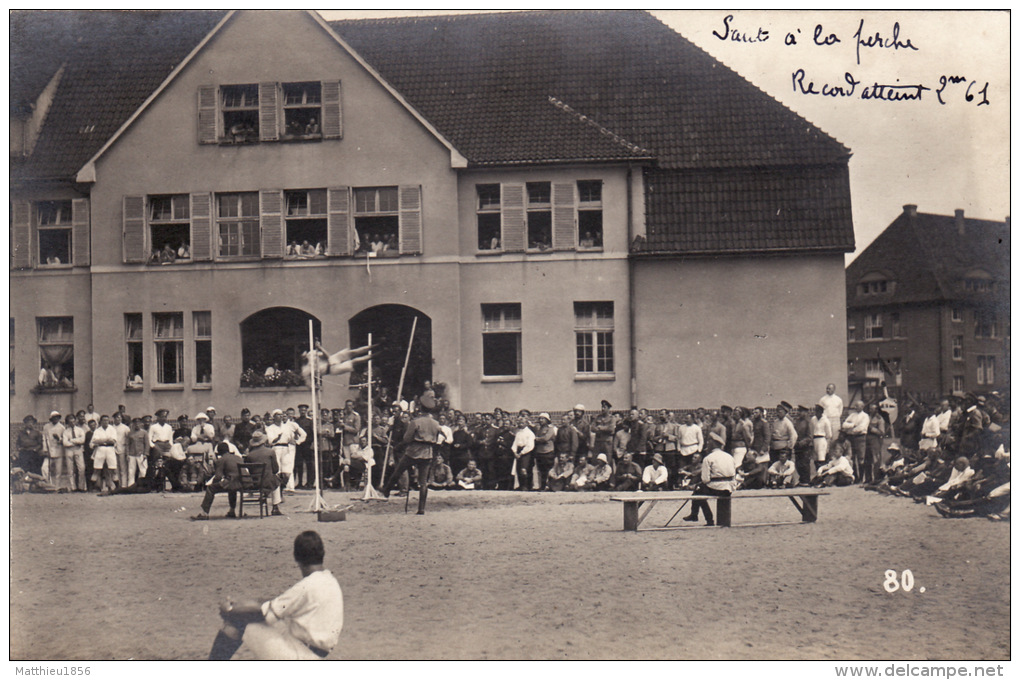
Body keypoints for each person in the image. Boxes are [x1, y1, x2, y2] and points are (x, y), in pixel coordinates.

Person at [208, 531, 344, 660]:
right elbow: (274, 603)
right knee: (263, 618)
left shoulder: (307, 586)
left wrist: (230, 610)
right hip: (311, 652)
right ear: (322, 553)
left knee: (237, 621)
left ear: (297, 557)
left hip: (300, 656)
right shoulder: (330, 580)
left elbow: (261, 613)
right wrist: (241, 605)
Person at [381, 396, 441, 514]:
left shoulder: (415, 422)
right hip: (427, 452)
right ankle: (421, 509)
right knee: (423, 482)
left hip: (413, 451)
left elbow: (407, 438)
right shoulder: (436, 423)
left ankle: (386, 490)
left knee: (399, 470)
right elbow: (436, 438)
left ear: (420, 408)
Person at [683, 432, 735, 526]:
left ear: (713, 444)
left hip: (717, 487)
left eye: (708, 443)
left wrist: (698, 485)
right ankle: (696, 515)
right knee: (700, 489)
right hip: (730, 487)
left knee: (698, 493)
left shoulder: (708, 458)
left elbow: (705, 479)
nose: (707, 445)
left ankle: (703, 518)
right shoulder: (729, 456)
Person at [193, 443, 244, 520]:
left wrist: (213, 483)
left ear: (219, 452)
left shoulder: (221, 460)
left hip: (232, 482)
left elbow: (218, 477)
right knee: (231, 487)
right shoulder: (238, 458)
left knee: (211, 488)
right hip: (243, 483)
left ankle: (204, 513)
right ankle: (232, 510)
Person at [244, 431, 284, 516]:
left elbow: (249, 470)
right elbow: (275, 469)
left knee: (272, 478)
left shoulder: (250, 455)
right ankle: (275, 506)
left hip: (254, 482)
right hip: (267, 481)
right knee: (276, 479)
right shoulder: (270, 452)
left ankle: (265, 495)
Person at [841, 401, 870, 482]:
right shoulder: (852, 415)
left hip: (860, 438)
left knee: (861, 458)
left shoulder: (865, 416)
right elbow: (844, 425)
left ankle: (861, 478)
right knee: (852, 457)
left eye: (857, 406)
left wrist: (851, 430)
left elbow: (861, 428)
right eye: (855, 405)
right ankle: (855, 477)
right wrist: (853, 425)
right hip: (851, 438)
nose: (855, 407)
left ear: (862, 407)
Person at [90, 415, 119, 495]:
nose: (105, 422)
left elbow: (113, 441)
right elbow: (94, 441)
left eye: (107, 420)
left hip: (110, 450)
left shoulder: (112, 429)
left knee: (113, 469)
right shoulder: (97, 431)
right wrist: (106, 440)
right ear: (101, 421)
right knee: (97, 469)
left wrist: (101, 441)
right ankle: (93, 487)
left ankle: (116, 487)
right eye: (104, 420)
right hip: (100, 450)